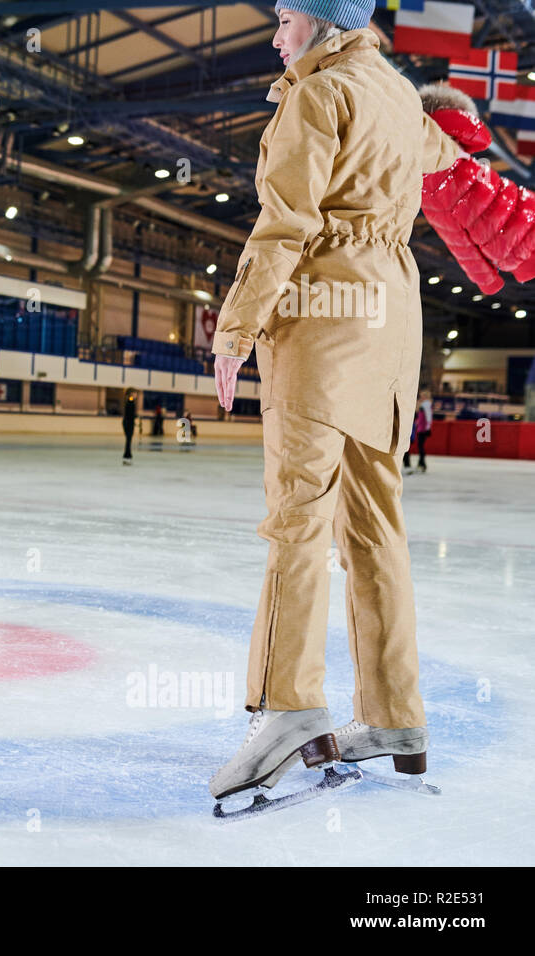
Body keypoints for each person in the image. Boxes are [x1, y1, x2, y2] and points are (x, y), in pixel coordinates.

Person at [208, 1, 464, 803]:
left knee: (297, 520)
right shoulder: (396, 95)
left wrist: (235, 329)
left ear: (322, 23)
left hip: (322, 322)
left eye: (286, 17)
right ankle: (395, 715)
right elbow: (443, 154)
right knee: (376, 528)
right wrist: (457, 120)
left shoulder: (318, 95)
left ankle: (288, 705)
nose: (276, 34)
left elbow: (286, 222)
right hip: (391, 327)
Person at [121, 388, 138, 464]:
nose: (136, 395)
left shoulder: (130, 400)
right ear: (131, 393)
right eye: (135, 393)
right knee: (128, 440)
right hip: (128, 423)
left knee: (128, 440)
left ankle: (127, 455)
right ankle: (127, 456)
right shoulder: (131, 400)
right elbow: (130, 413)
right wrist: (135, 416)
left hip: (128, 422)